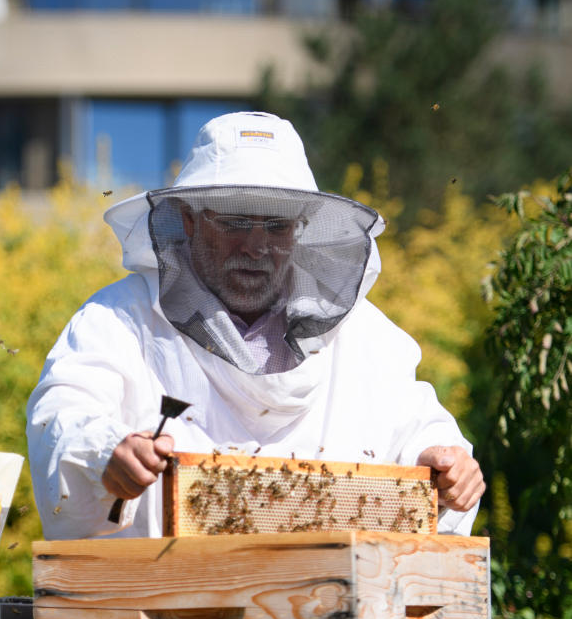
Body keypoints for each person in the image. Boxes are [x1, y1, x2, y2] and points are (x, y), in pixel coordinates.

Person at [26, 111, 485, 540]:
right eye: (235, 221)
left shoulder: (364, 335)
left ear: (299, 229)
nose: (255, 246)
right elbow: (63, 412)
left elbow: (418, 428)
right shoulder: (117, 321)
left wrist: (445, 467)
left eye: (276, 226)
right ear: (188, 221)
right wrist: (107, 452)